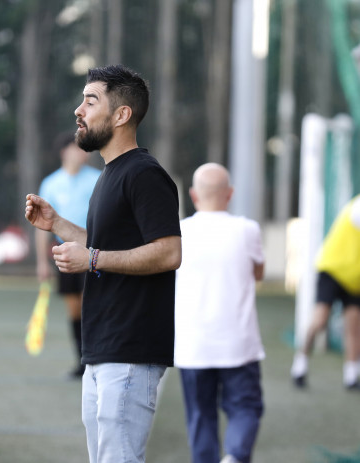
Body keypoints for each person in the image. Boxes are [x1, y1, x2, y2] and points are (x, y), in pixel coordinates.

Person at [25, 64, 181, 463]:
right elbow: (110, 244)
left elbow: (169, 252)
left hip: (130, 348)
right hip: (103, 347)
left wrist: (91, 258)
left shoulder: (145, 174)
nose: (79, 110)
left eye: (90, 101)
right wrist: (57, 224)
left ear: (121, 115)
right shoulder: (110, 176)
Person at [175, 163, 265, 463]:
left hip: (193, 345)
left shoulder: (180, 232)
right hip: (238, 343)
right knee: (246, 408)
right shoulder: (248, 230)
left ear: (193, 195)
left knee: (201, 417)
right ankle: (236, 456)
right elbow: (258, 273)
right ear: (230, 194)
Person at [35, 132, 101, 379]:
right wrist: (43, 262)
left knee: (90, 306)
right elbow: (42, 228)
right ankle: (82, 362)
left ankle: (96, 359)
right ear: (65, 151)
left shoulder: (97, 179)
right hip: (64, 253)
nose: (84, 153)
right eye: (78, 148)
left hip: (91, 252)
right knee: (74, 310)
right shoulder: (51, 184)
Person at [291, 195, 360, 390]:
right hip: (333, 270)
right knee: (320, 320)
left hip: (355, 278)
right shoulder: (358, 206)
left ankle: (351, 376)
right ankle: (300, 363)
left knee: (354, 325)